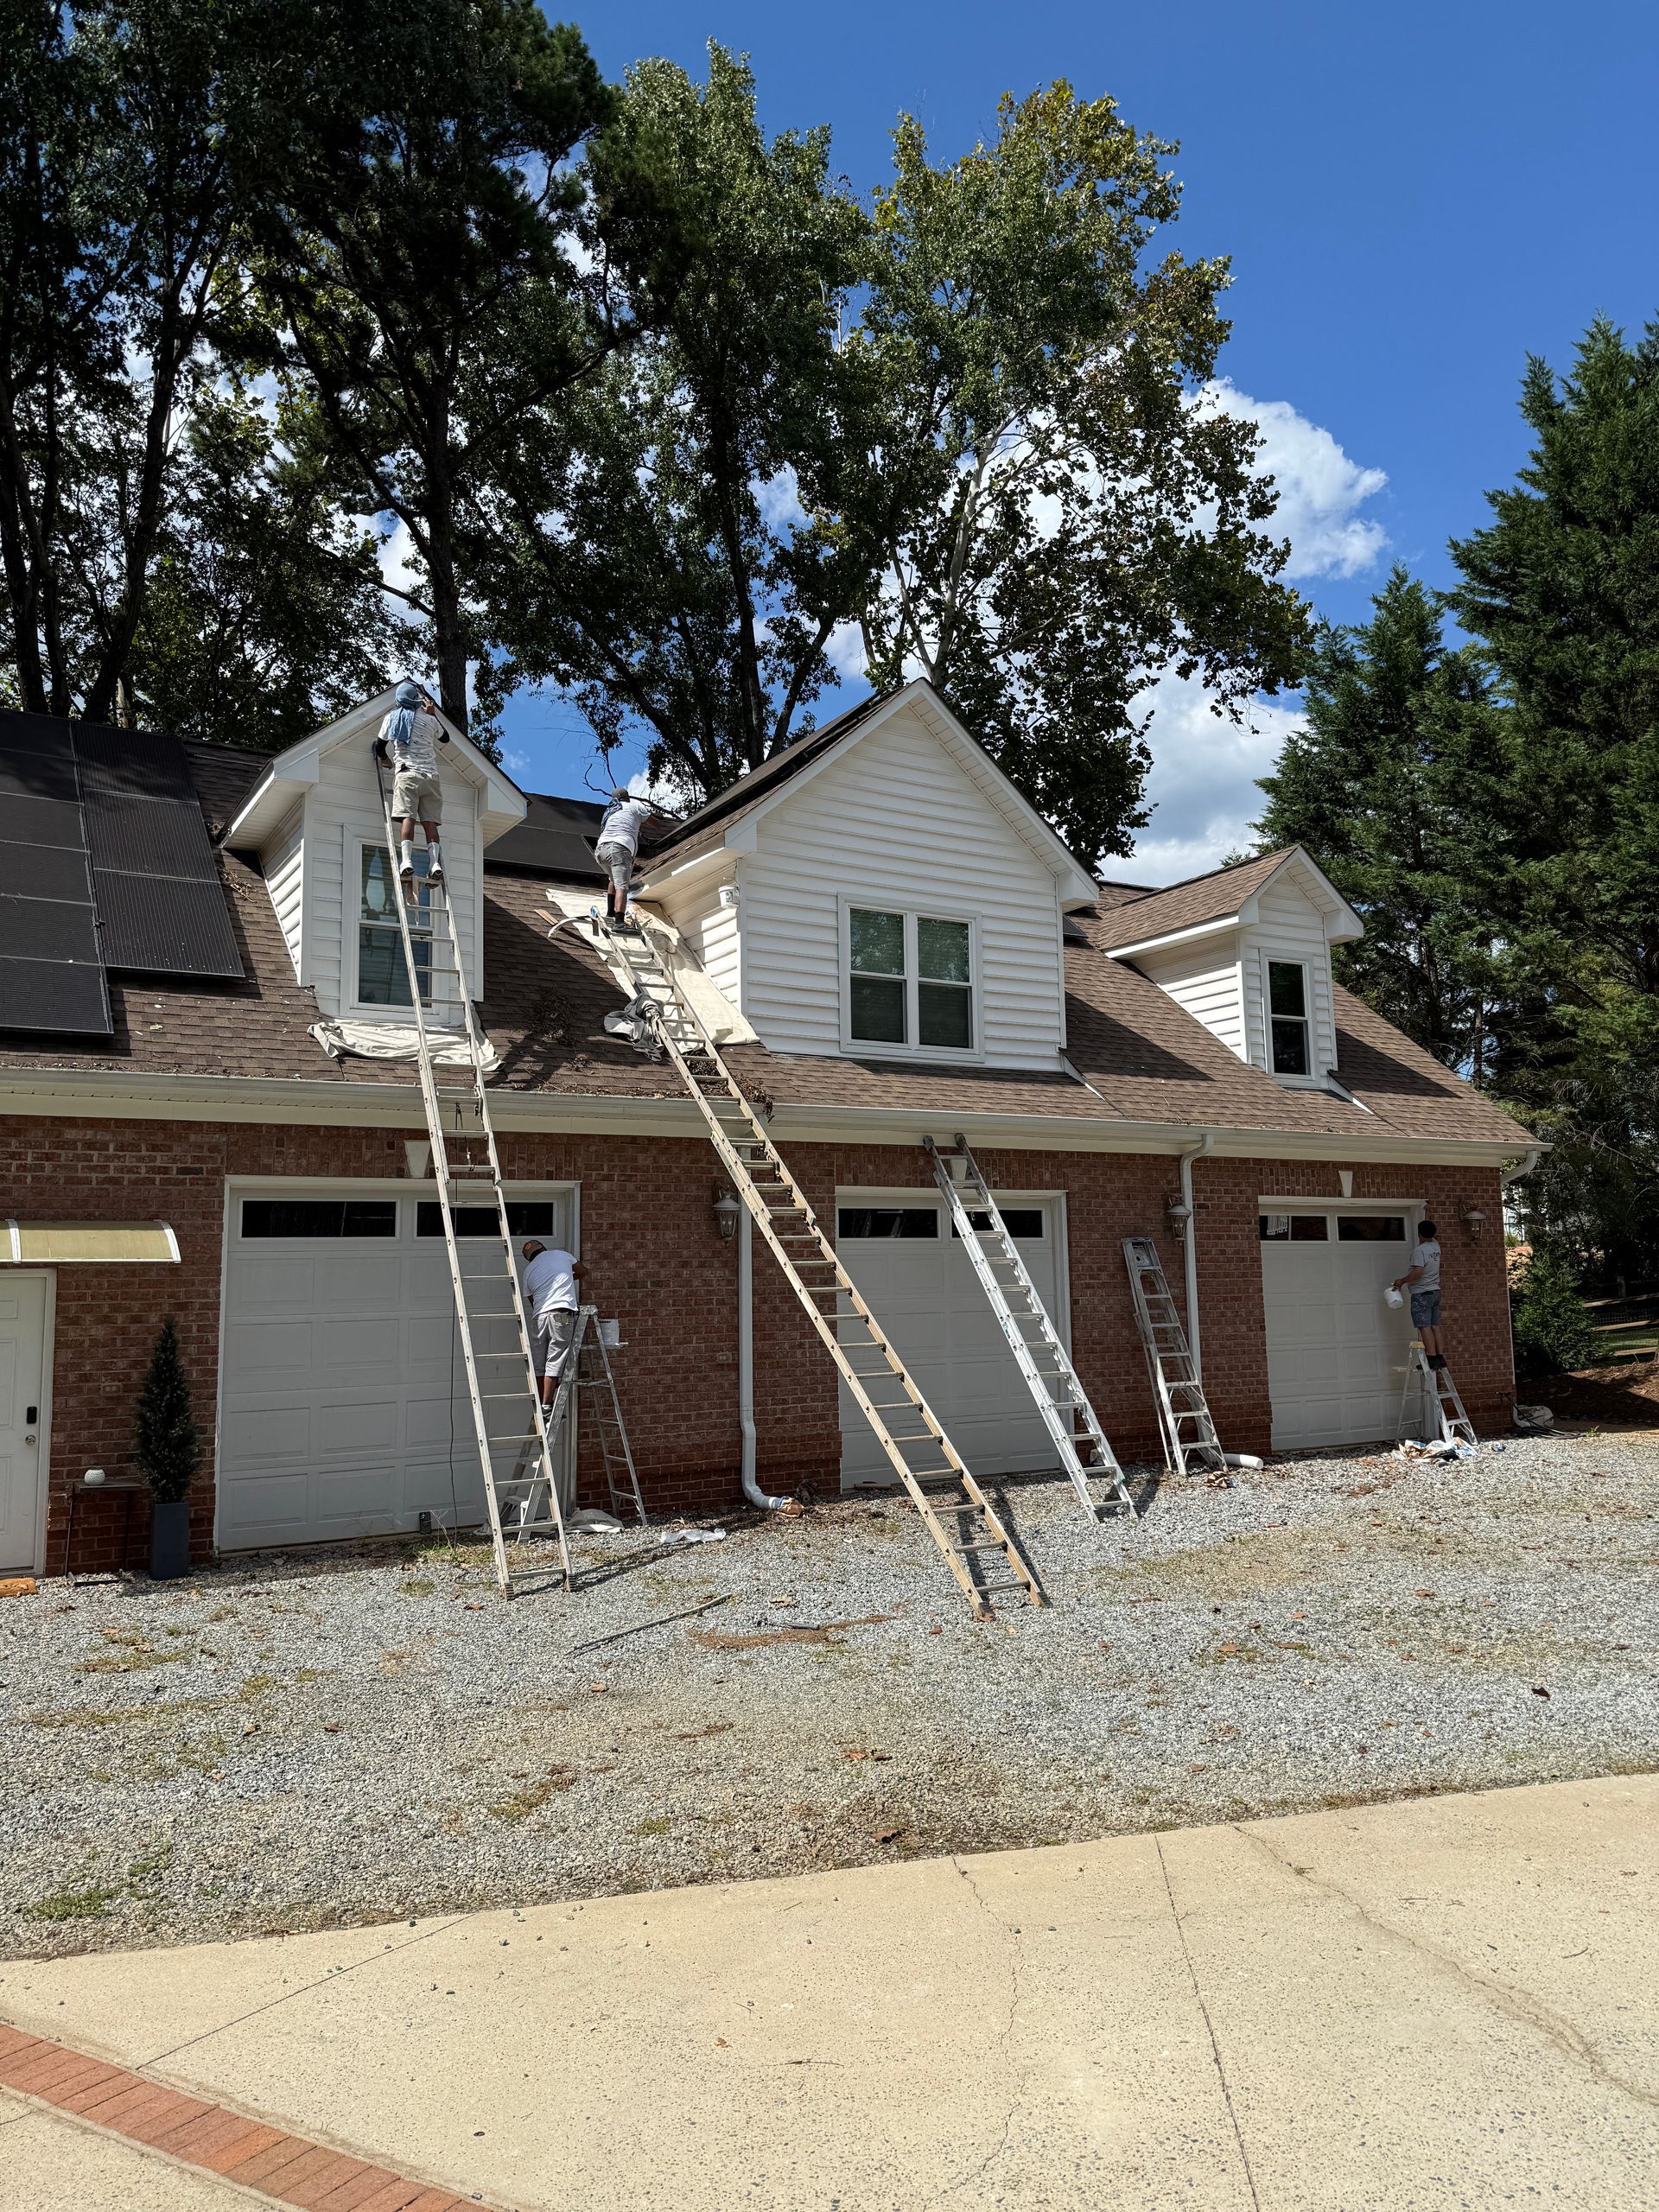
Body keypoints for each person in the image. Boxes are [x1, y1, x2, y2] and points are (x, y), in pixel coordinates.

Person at [372, 681, 449, 900]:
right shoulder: (428, 720)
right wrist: (432, 714)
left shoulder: (392, 718)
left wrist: (386, 760)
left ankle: (406, 862)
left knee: (408, 817)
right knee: (430, 822)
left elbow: (380, 746)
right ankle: (435, 865)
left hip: (407, 774)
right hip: (430, 777)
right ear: (416, 701)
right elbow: (445, 738)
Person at [521, 1237, 587, 1403]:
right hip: (561, 1314)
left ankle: (540, 1405)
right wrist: (565, 1277)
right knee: (555, 1359)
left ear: (529, 1257)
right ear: (543, 1248)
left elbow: (534, 1301)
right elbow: (583, 1271)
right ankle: (546, 1406)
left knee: (539, 1364)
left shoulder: (528, 1271)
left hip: (539, 1318)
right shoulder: (561, 1255)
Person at [593, 787, 662, 928]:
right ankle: (619, 922)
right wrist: (645, 818)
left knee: (613, 879)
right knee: (622, 887)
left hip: (600, 850)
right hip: (619, 848)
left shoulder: (610, 810)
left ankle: (611, 913)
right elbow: (656, 824)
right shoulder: (634, 805)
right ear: (627, 798)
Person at [1393, 1220, 1445, 1368]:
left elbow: (1418, 1272)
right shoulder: (1436, 1246)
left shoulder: (1419, 1251)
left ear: (1419, 1233)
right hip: (1435, 1291)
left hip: (1422, 1293)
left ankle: (1432, 1359)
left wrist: (1402, 1281)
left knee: (1424, 1326)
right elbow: (1431, 1235)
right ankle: (1440, 1357)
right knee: (1435, 1325)